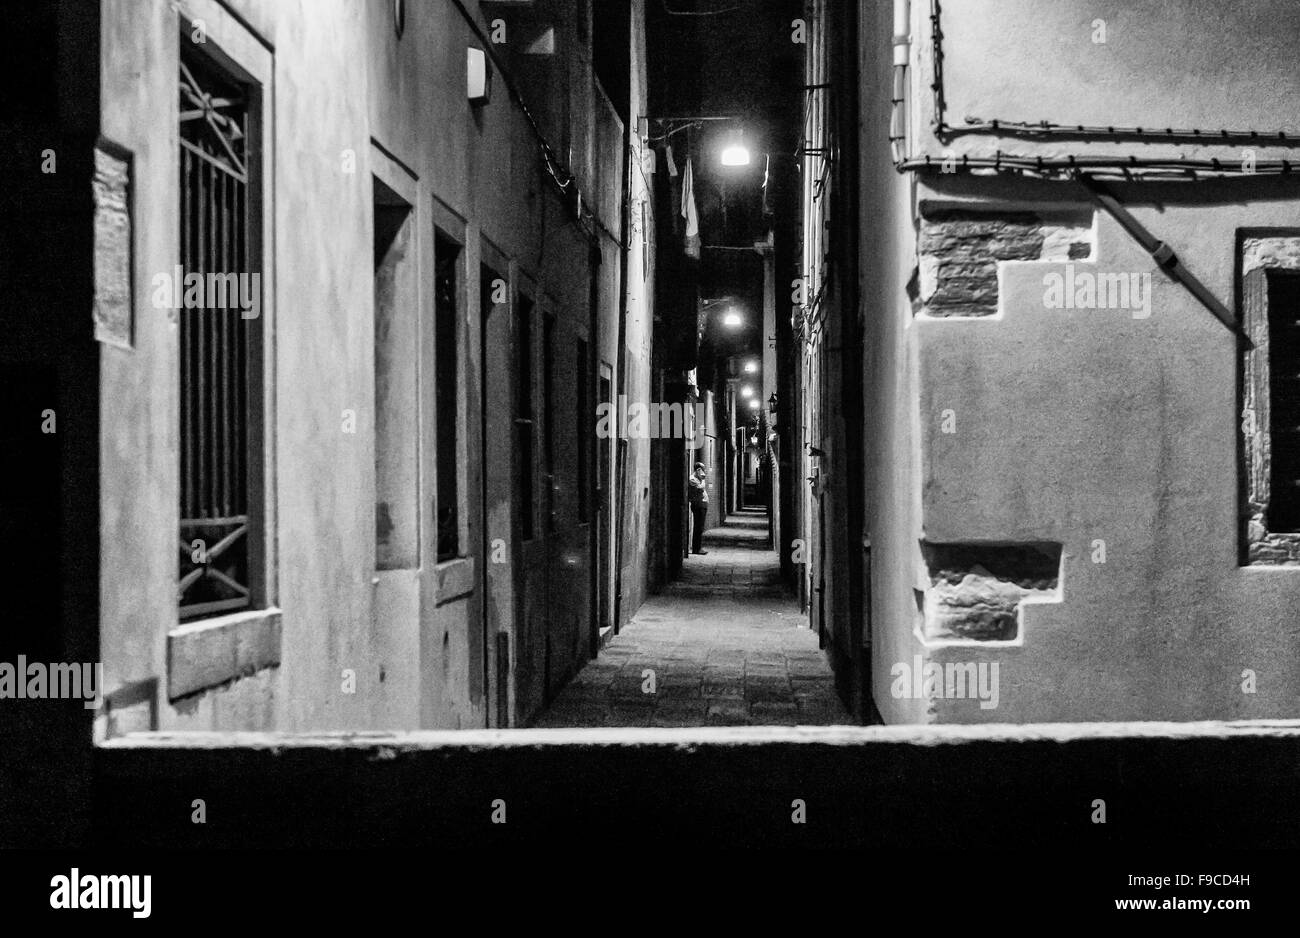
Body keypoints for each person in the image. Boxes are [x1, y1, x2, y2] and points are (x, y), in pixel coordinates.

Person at [687, 462, 709, 555]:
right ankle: (696, 548)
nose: (704, 472)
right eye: (702, 470)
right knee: (698, 527)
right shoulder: (693, 479)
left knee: (700, 527)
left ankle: (698, 547)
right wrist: (703, 479)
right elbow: (700, 488)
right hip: (698, 505)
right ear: (698, 470)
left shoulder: (698, 479)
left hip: (702, 505)